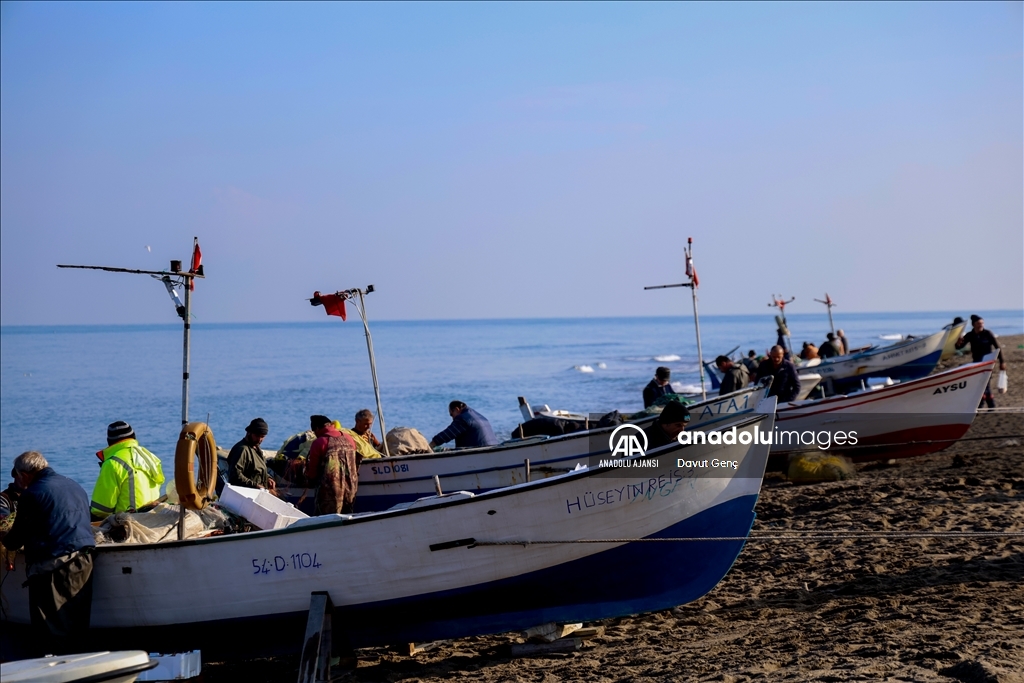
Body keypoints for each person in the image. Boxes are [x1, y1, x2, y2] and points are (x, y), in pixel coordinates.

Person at [0, 452, 95, 652]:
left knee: (51, 629)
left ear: (24, 475)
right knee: (77, 623)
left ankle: (55, 671)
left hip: (53, 567)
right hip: (84, 560)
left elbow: (16, 538)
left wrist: (3, 537)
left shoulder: (33, 493)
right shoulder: (74, 485)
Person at [91, 421, 165, 520]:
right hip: (153, 517)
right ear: (133, 437)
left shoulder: (113, 463)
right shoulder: (150, 457)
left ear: (109, 442)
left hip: (129, 523)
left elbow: (101, 510)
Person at [304, 415, 361, 514]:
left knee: (326, 519)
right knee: (347, 516)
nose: (315, 434)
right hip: (351, 487)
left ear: (317, 428)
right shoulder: (349, 438)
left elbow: (313, 470)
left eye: (314, 431)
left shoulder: (319, 442)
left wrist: (309, 480)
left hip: (329, 492)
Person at [955, 315, 1007, 409]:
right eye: (979, 323)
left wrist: (1002, 362)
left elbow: (998, 348)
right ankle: (989, 405)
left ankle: (984, 404)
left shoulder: (988, 334)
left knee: (984, 383)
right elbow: (958, 347)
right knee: (981, 383)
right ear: (973, 324)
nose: (981, 325)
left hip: (988, 362)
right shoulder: (970, 335)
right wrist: (958, 343)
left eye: (982, 323)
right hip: (977, 362)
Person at [226, 418, 275, 491]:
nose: (259, 439)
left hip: (259, 493)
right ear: (249, 432)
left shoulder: (256, 448)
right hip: (246, 494)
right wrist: (255, 485)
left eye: (262, 437)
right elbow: (235, 476)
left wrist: (267, 478)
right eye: (257, 436)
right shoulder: (242, 450)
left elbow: (257, 470)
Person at [429, 401, 498, 449]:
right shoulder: (480, 417)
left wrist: (430, 445)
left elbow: (447, 434)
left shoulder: (463, 418)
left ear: (457, 409)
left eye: (451, 414)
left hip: (478, 452)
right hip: (493, 448)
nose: (452, 418)